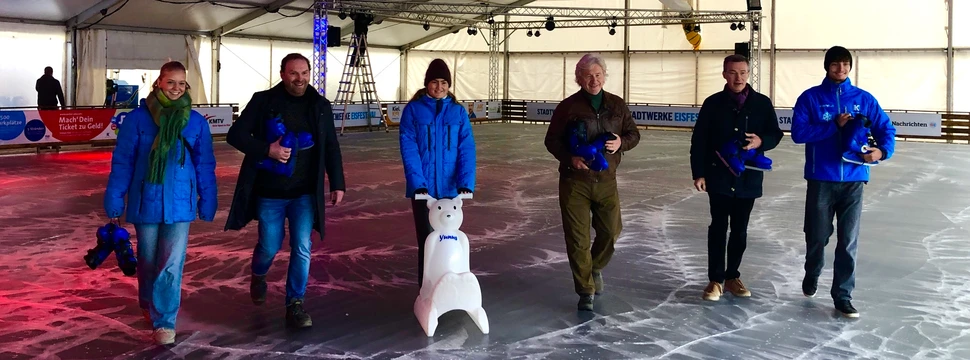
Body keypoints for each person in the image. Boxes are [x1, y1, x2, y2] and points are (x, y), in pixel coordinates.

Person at [225, 53, 346, 328]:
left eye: (304, 73)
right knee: (268, 246)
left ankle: (295, 303)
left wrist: (337, 183)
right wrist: (268, 149)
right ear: (282, 73)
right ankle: (259, 274)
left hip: (304, 193)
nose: (300, 79)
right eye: (294, 73)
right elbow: (236, 135)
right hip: (270, 193)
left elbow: (330, 147)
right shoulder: (263, 101)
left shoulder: (320, 105)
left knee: (302, 247)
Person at [103, 61, 217, 345]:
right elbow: (123, 162)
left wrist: (208, 197)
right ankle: (147, 302)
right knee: (148, 259)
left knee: (171, 263)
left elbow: (204, 164)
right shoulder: (137, 120)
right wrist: (115, 199)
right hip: (146, 200)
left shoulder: (196, 122)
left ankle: (164, 320)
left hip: (180, 203)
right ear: (158, 83)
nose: (176, 88)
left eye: (182, 83)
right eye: (171, 82)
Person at [791, 46, 896, 318]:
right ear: (826, 67)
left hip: (854, 180)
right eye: (836, 65)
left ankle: (843, 295)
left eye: (845, 65)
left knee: (848, 240)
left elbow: (885, 128)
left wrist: (882, 151)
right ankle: (812, 271)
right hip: (821, 179)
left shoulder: (863, 98)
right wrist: (833, 126)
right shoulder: (810, 98)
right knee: (817, 236)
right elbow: (799, 133)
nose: (841, 69)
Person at [543, 53, 641, 311]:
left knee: (611, 231)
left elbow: (633, 134)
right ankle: (585, 289)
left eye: (598, 75)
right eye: (588, 76)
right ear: (579, 78)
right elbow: (551, 140)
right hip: (575, 182)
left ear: (604, 76)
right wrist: (570, 158)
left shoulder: (617, 105)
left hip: (607, 180)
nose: (594, 80)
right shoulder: (568, 107)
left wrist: (622, 142)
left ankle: (594, 267)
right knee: (577, 238)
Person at [690, 54, 784, 301]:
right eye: (732, 72)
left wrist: (761, 141)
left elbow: (776, 133)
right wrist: (699, 173)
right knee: (718, 227)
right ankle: (716, 280)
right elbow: (699, 140)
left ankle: (732, 277)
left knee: (740, 230)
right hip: (718, 177)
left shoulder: (762, 103)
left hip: (748, 179)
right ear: (724, 74)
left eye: (742, 72)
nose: (738, 77)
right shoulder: (712, 103)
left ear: (748, 74)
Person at [399, 58, 476, 288]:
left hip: (451, 192)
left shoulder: (458, 112)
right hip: (425, 192)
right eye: (435, 82)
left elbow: (466, 149)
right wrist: (418, 184)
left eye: (444, 82)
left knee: (450, 240)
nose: (439, 87)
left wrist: (465, 183)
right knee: (428, 240)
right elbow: (409, 148)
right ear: (426, 84)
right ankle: (427, 287)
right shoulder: (414, 110)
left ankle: (452, 283)